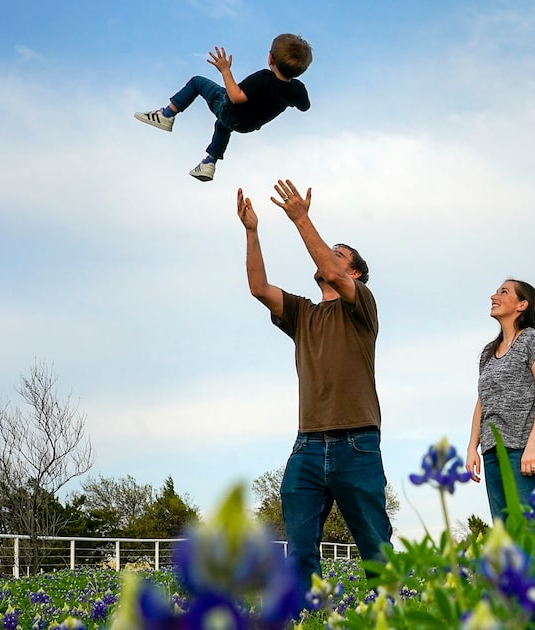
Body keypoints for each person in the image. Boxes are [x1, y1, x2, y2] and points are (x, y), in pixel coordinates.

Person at [236, 178, 391, 589]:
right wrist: (253, 233)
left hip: (357, 444)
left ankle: (391, 611)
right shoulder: (302, 314)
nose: (327, 259)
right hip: (307, 445)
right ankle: (310, 614)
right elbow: (258, 288)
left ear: (354, 272)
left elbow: (333, 274)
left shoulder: (362, 308)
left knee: (375, 547)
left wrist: (302, 220)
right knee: (301, 549)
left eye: (337, 256)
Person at [135, 34, 312, 182]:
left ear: (270, 58)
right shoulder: (297, 90)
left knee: (197, 82)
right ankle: (209, 163)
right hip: (246, 125)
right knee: (222, 126)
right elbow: (305, 107)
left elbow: (236, 97)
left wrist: (225, 70)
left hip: (229, 109)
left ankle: (167, 115)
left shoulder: (264, 78)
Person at [465, 279, 535, 522]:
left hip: (523, 450)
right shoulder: (488, 351)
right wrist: (472, 447)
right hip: (492, 451)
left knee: (529, 528)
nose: (493, 296)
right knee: (504, 529)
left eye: (503, 292)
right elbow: (482, 401)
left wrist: (533, 444)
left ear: (522, 305)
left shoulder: (533, 340)